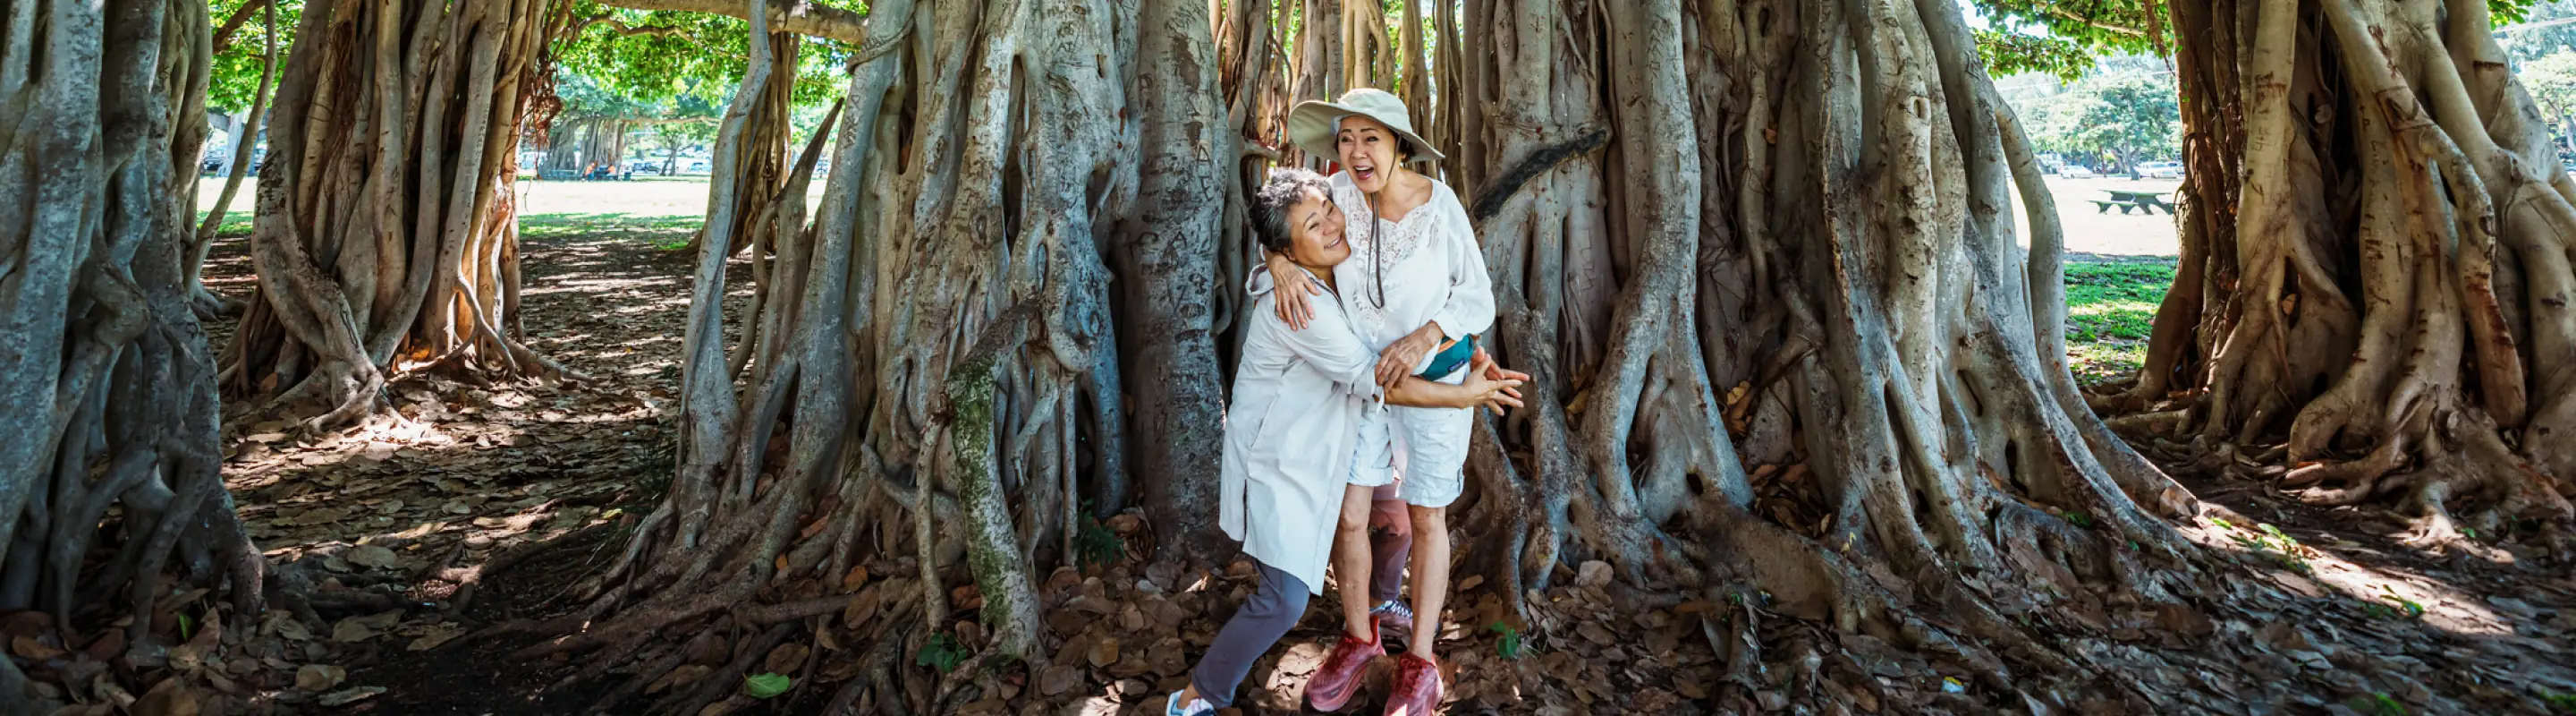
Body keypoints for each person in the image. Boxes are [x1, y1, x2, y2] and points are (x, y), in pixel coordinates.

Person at [1166, 169, 1523, 716]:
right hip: (1281, 460)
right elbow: (1380, 379)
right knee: (1283, 600)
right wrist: (1464, 396)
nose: (1335, 222)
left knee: (1397, 518)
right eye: (1315, 224)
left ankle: (1381, 608)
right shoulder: (1301, 305)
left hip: (1333, 436)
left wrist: (1463, 350)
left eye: (1329, 209)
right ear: (1290, 247)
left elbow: (1416, 297)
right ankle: (1196, 696)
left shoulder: (1340, 258)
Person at [1267, 88, 1492, 715]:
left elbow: (1478, 297)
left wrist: (1429, 333)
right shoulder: (1335, 194)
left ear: (1399, 146)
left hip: (1436, 383)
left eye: (1371, 138)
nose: (1357, 152)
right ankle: (1359, 636)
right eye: (1346, 139)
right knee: (1349, 514)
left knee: (1426, 519)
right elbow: (1277, 218)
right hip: (1361, 385)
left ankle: (1419, 660)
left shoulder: (1437, 204)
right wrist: (1278, 261)